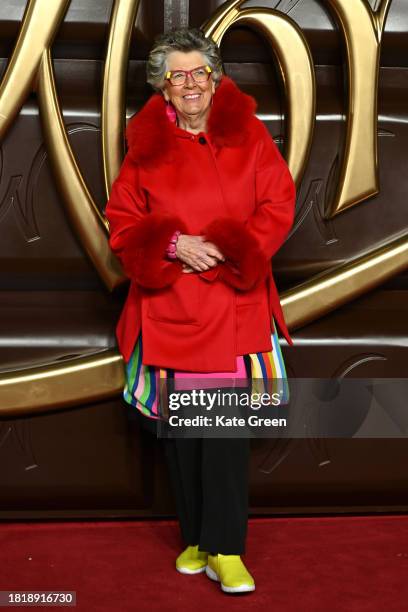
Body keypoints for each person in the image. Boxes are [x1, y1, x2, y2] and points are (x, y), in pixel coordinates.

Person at [105, 27, 296, 594]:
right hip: (171, 304)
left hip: (235, 303)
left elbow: (278, 204)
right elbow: (123, 219)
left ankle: (228, 548)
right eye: (178, 75)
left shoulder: (251, 135)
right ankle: (197, 537)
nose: (191, 84)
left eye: (200, 73)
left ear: (215, 80)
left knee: (225, 433)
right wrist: (173, 244)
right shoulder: (144, 147)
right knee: (186, 432)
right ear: (163, 87)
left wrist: (226, 249)